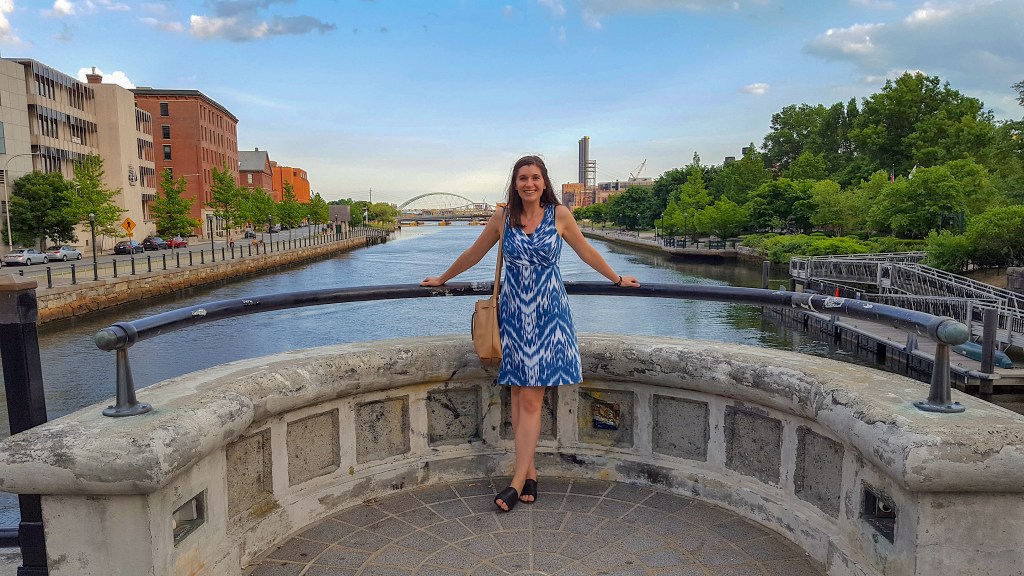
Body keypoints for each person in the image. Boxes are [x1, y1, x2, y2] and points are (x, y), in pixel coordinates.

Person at [420, 155, 640, 512]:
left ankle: (516, 481)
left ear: (544, 181)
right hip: (513, 315)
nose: (529, 184)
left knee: (531, 400)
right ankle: (531, 474)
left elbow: (586, 251)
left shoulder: (559, 215)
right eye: (523, 178)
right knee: (520, 394)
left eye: (535, 177)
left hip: (549, 316)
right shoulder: (503, 218)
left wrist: (616, 278)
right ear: (515, 183)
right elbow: (475, 253)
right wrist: (443, 278)